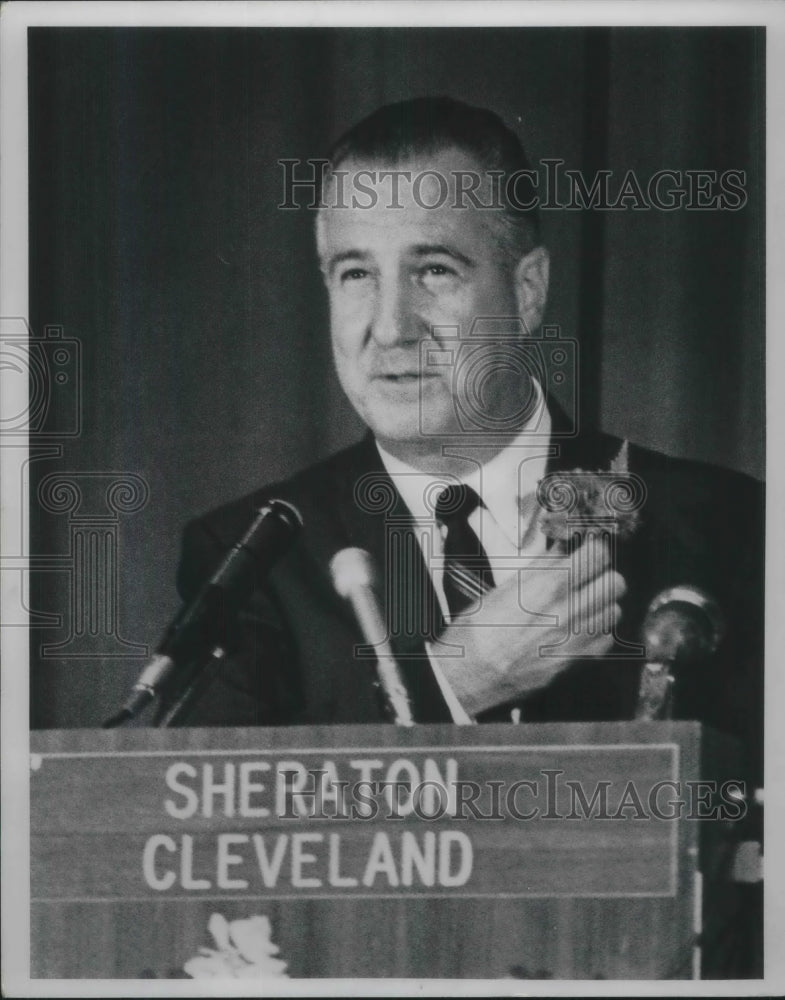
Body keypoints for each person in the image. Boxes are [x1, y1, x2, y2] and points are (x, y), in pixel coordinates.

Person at [158, 97, 763, 783]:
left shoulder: (726, 527)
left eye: (434, 271)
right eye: (355, 274)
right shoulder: (250, 559)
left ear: (527, 291)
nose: (389, 328)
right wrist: (454, 684)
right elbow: (209, 826)